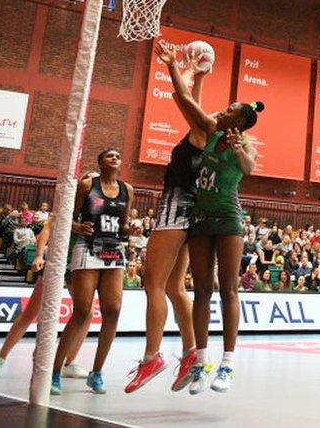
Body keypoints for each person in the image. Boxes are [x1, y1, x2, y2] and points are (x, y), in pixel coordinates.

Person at [157, 42, 264, 396]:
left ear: (240, 119)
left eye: (231, 107)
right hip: (200, 218)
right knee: (202, 290)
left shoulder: (244, 144)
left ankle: (228, 363)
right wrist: (174, 67)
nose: (224, 107)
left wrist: (237, 149)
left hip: (228, 218)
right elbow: (186, 101)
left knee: (228, 289)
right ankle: (201, 362)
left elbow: (248, 169)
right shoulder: (208, 128)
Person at [125, 44, 211, 394]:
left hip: (176, 208)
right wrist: (200, 74)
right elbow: (191, 103)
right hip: (193, 211)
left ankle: (152, 357)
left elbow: (183, 98)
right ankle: (192, 355)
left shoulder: (204, 131)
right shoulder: (206, 133)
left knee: (154, 284)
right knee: (176, 286)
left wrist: (175, 65)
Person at [51, 148, 134, 395]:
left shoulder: (127, 190)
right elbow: (66, 217)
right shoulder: (87, 184)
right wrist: (78, 225)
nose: (115, 158)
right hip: (87, 248)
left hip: (114, 251)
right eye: (110, 156)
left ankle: (96, 372)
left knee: (113, 311)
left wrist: (132, 230)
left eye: (119, 156)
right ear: (100, 162)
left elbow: (125, 225)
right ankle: (54, 372)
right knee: (82, 311)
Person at [0, 213, 92, 381]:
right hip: (55, 263)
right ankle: (0, 359)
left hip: (77, 265)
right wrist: (39, 255)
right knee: (30, 313)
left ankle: (70, 363)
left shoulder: (91, 207)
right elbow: (47, 230)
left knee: (88, 313)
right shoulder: (66, 205)